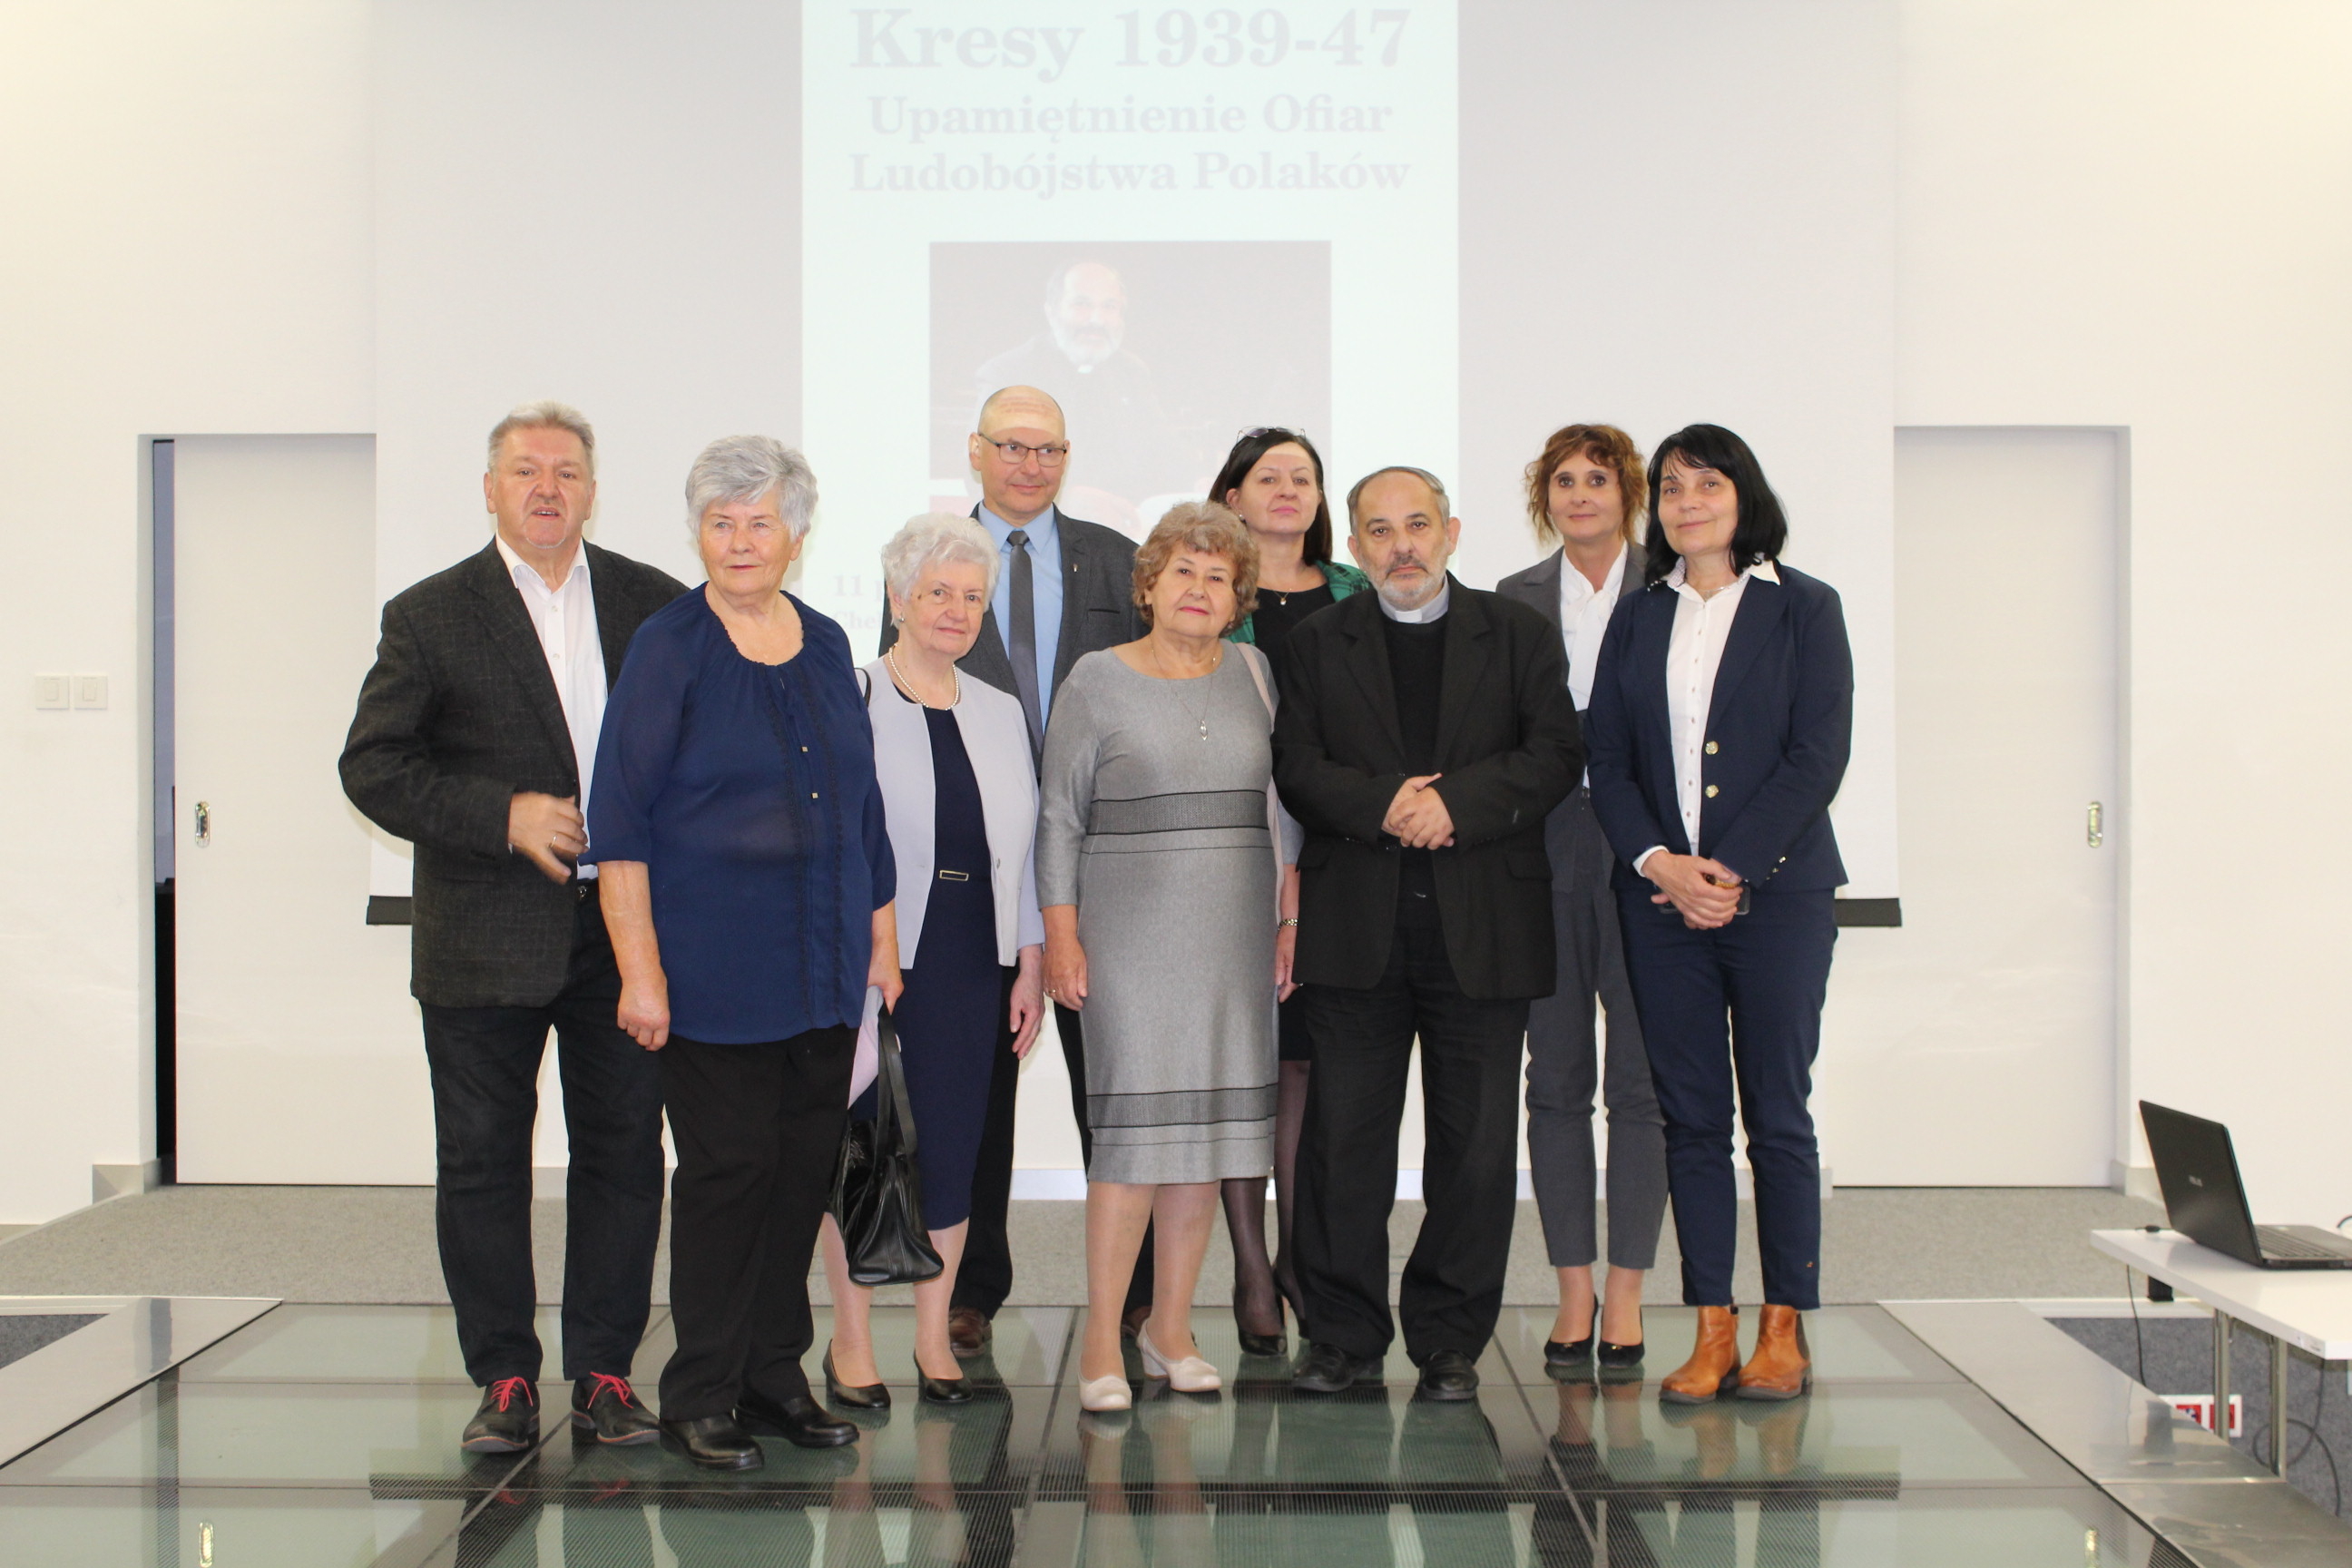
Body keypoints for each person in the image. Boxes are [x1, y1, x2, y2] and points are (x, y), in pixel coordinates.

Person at [340, 401, 684, 1455]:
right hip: (482, 938)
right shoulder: (430, 613)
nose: (547, 488)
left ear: (593, 492)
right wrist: (503, 815)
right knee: (483, 1161)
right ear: (490, 488)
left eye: (566, 472)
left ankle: (606, 1374)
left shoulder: (652, 603)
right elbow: (374, 766)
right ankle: (503, 1379)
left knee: (624, 1155)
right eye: (526, 470)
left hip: (624, 935)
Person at [586, 436, 900, 1469]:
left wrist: (880, 943)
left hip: (822, 968)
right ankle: (701, 1391)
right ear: (698, 535)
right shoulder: (668, 647)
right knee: (729, 1179)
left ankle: (774, 1378)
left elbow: (861, 807)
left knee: (800, 1176)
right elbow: (619, 822)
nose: (739, 541)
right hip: (711, 973)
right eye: (720, 523)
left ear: (795, 536)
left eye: (760, 522)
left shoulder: (826, 641)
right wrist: (640, 972)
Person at [1273, 466, 1583, 1401]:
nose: (1400, 545)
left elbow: (1554, 754)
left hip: (1484, 928)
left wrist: (1456, 806)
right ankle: (1342, 1337)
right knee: (1342, 1145)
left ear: (1451, 532)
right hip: (1355, 931)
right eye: (1379, 530)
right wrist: (1385, 805)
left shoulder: (1518, 632)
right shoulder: (1318, 641)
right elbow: (1296, 765)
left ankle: (1449, 1341)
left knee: (1477, 1150)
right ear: (1354, 546)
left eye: (1417, 525)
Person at [1582, 424, 1853, 1404]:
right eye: (1671, 487)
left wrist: (1728, 870)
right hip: (1660, 903)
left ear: (1744, 496)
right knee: (1692, 1119)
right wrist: (1661, 863)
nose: (1688, 502)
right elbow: (1608, 759)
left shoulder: (1805, 607)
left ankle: (1783, 1327)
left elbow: (1818, 756)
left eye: (1708, 483)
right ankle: (1712, 1327)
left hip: (1779, 900)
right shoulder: (1638, 616)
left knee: (1776, 1117)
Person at [880, 384, 1149, 1358]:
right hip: (970, 870)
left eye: (1049, 449)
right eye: (1012, 446)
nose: (1031, 465)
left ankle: (1133, 1296)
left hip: (1101, 866)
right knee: (974, 1093)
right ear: (976, 451)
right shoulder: (929, 559)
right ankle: (970, 1290)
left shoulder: (1114, 559)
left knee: (1113, 1087)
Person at [1035, 502, 1296, 1413]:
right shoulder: (1096, 679)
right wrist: (1061, 934)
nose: (1199, 588)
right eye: (1183, 570)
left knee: (1208, 1144)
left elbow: (1283, 811)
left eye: (1219, 577)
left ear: (1238, 599)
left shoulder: (1255, 674)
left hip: (1234, 939)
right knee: (1133, 1148)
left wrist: (1289, 917)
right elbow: (1059, 817)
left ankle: (1171, 1330)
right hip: (1128, 945)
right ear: (1148, 586)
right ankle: (1101, 1340)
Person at [818, 514, 1048, 1407]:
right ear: (897, 598)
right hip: (878, 958)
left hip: (971, 957)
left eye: (972, 596)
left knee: (953, 1149)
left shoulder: (999, 710)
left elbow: (1021, 849)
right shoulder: (853, 695)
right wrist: (869, 950)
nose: (956, 609)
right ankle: (850, 1342)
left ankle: (932, 1337)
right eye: (937, 592)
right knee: (865, 1148)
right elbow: (840, 840)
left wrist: (1028, 959)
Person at [1495, 425, 1671, 1377]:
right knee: (1555, 1080)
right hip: (1544, 855)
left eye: (1598, 478)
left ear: (1628, 491)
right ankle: (1573, 1290)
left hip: (1653, 857)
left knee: (1643, 1084)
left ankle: (1629, 1291)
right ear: (1544, 498)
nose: (1580, 494)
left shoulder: (1677, 585)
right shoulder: (1513, 599)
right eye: (1562, 480)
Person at [1210, 426, 1369, 1357]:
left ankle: (1303, 1259)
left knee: (1305, 1064)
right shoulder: (1209, 594)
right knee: (1245, 1068)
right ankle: (1249, 1266)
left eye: (1302, 477)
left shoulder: (1355, 591)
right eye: (1267, 477)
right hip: (1233, 854)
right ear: (1232, 496)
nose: (1287, 490)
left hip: (1338, 854)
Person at [973, 260, 1187, 522]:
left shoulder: (1132, 372)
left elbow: (1166, 448)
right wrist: (1064, 497)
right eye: (1082, 305)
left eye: (1109, 307)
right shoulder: (1008, 373)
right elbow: (982, 467)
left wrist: (1201, 479)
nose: (1096, 320)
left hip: (1128, 523)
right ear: (1052, 312)